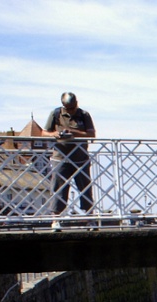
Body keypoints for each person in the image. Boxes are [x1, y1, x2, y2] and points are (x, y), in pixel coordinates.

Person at [43, 92, 96, 229]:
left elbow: (91, 134)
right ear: (64, 106)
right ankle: (56, 219)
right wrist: (55, 134)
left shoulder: (84, 115)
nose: (72, 110)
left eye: (74, 107)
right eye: (69, 108)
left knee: (85, 188)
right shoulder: (55, 114)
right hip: (60, 157)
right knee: (58, 189)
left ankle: (90, 218)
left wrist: (74, 133)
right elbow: (44, 133)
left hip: (80, 158)